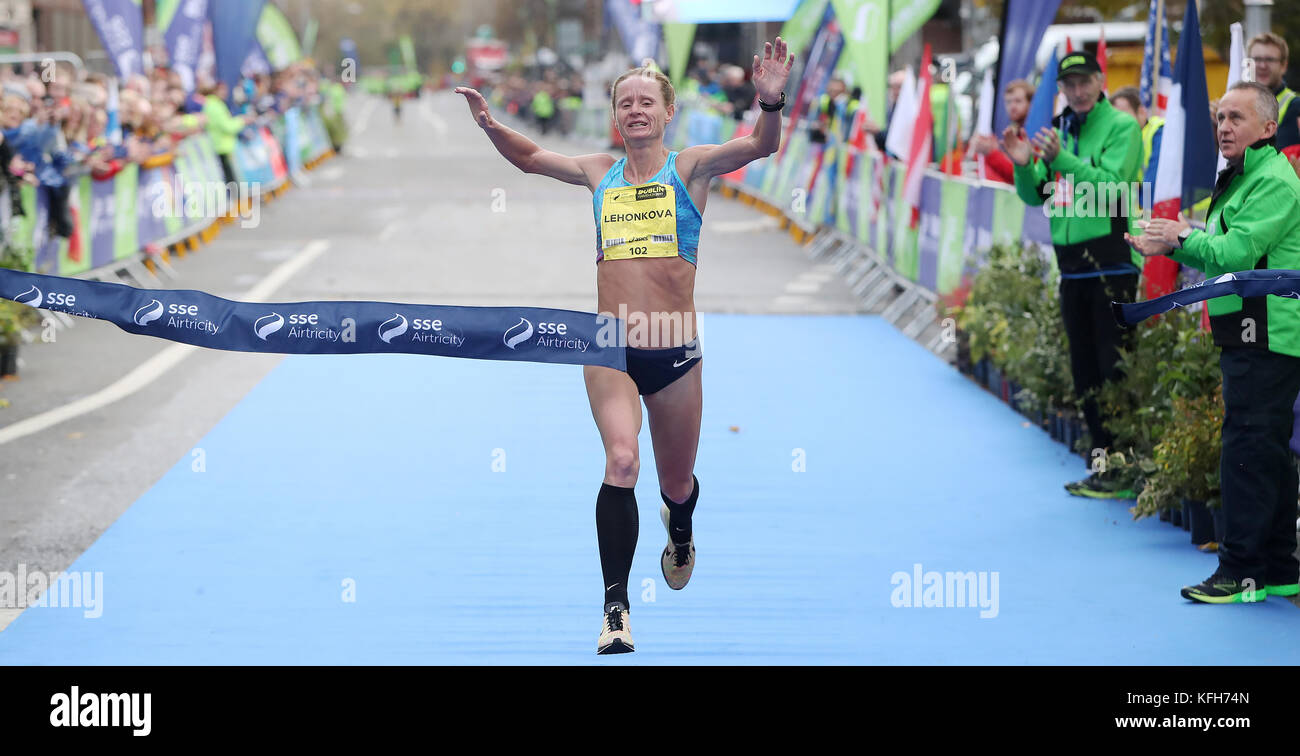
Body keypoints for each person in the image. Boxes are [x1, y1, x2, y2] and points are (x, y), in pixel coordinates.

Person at [454, 36, 794, 654]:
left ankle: (681, 526)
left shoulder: (690, 167)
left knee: (675, 483)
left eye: (647, 102)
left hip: (674, 349)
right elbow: (530, 158)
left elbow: (759, 146)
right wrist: (489, 126)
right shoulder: (596, 174)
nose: (636, 110)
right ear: (615, 118)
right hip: (609, 344)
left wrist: (770, 102)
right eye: (625, 103)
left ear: (667, 114)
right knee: (621, 462)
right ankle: (616, 608)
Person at [1126, 81, 1300, 604]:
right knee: (1264, 449)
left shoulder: (1273, 180)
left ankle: (1239, 572)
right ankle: (1277, 568)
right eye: (1221, 118)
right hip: (1254, 329)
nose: (1224, 127)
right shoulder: (1249, 175)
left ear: (1268, 129)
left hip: (1265, 332)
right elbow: (1224, 250)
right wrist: (1174, 241)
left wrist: (1179, 237)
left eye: (1237, 119)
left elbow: (1237, 253)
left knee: (1247, 448)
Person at [1001, 51, 1143, 499]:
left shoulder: (1122, 127)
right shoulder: (1058, 129)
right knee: (1084, 374)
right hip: (1072, 269)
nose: (1077, 91)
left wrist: (1062, 161)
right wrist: (1024, 163)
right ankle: (1103, 465)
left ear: (1101, 81)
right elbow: (1035, 195)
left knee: (1114, 369)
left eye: (1084, 82)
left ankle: (1123, 467)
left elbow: (1115, 190)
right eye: (1069, 84)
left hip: (1112, 265)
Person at [971, 79, 1033, 185]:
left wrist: (991, 154)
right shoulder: (1011, 131)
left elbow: (1021, 178)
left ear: (1030, 103)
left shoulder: (1034, 134)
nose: (1012, 107)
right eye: (1008, 102)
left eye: (1018, 101)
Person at [1247, 33, 1298, 152]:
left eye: (1269, 60)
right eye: (1257, 59)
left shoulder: (1296, 106)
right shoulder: (1235, 103)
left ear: (1284, 66)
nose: (1262, 65)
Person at [1108, 86, 1164, 193]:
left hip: (1195, 207)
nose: (1118, 123)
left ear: (1141, 112)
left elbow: (1152, 185)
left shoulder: (1159, 132)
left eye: (1123, 116)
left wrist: (1144, 207)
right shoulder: (1122, 140)